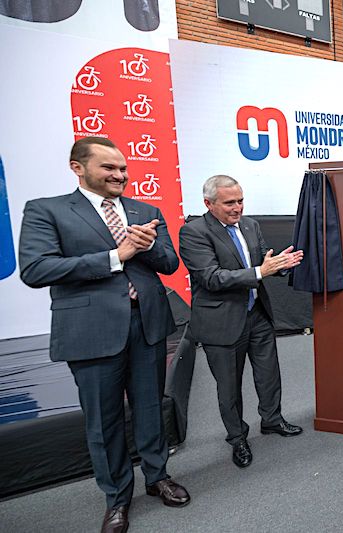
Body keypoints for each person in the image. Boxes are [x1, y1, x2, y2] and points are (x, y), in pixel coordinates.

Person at [18, 137, 190, 533]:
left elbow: (168, 262)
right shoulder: (48, 211)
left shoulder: (146, 210)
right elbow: (37, 270)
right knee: (104, 420)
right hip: (91, 331)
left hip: (146, 325)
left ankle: (158, 476)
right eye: (109, 168)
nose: (120, 175)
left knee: (150, 408)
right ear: (78, 167)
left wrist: (145, 247)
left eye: (123, 168)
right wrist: (117, 256)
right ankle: (117, 498)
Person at [178, 175, 304, 468]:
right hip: (220, 322)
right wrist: (262, 271)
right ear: (209, 204)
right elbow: (211, 277)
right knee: (229, 386)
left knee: (269, 374)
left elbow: (261, 261)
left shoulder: (250, 225)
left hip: (256, 313)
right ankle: (237, 438)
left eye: (240, 200)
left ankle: (272, 420)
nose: (238, 208)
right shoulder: (193, 233)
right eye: (230, 202)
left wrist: (279, 266)